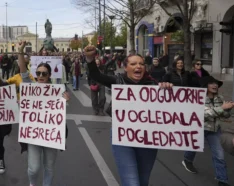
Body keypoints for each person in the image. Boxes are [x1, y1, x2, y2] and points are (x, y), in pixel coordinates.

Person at [84, 45, 173, 186]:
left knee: (143, 182)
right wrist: (90, 58)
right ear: (125, 68)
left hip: (148, 138)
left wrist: (167, 89)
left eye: (141, 64)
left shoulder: (154, 85)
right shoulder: (118, 81)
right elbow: (96, 76)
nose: (138, 66)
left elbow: (168, 111)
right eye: (133, 64)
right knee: (132, 183)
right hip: (123, 137)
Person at [18, 41, 70, 186]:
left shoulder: (57, 89)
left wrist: (65, 101)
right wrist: (21, 51)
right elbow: (23, 70)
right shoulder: (31, 87)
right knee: (33, 168)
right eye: (38, 73)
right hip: (34, 134)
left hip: (51, 134)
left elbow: (61, 111)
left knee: (49, 167)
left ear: (49, 75)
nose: (41, 75)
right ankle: (32, 183)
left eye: (44, 73)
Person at [182, 76, 232, 186]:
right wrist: (222, 108)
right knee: (194, 147)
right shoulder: (198, 98)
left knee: (219, 155)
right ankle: (187, 160)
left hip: (215, 130)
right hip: (200, 128)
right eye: (211, 83)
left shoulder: (220, 98)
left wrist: (228, 110)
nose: (215, 85)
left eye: (216, 84)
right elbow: (203, 115)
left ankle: (222, 180)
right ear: (205, 85)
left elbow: (224, 116)